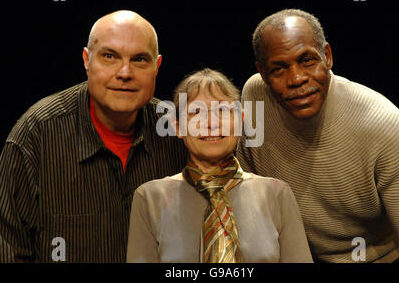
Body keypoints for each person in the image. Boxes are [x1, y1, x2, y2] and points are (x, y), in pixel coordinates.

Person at [0, 10, 188, 262]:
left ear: (156, 67)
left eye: (139, 59)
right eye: (110, 56)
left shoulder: (178, 133)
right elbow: (5, 251)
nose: (125, 72)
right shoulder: (37, 134)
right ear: (86, 60)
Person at [237, 9, 399, 263]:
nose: (297, 78)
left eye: (307, 60)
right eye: (279, 68)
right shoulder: (255, 96)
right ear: (263, 74)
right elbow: (247, 195)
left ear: (327, 57)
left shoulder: (381, 124)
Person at [126, 68, 312, 263]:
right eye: (197, 112)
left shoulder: (276, 194)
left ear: (240, 121)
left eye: (223, 111)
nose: (212, 123)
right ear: (177, 126)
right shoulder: (149, 199)